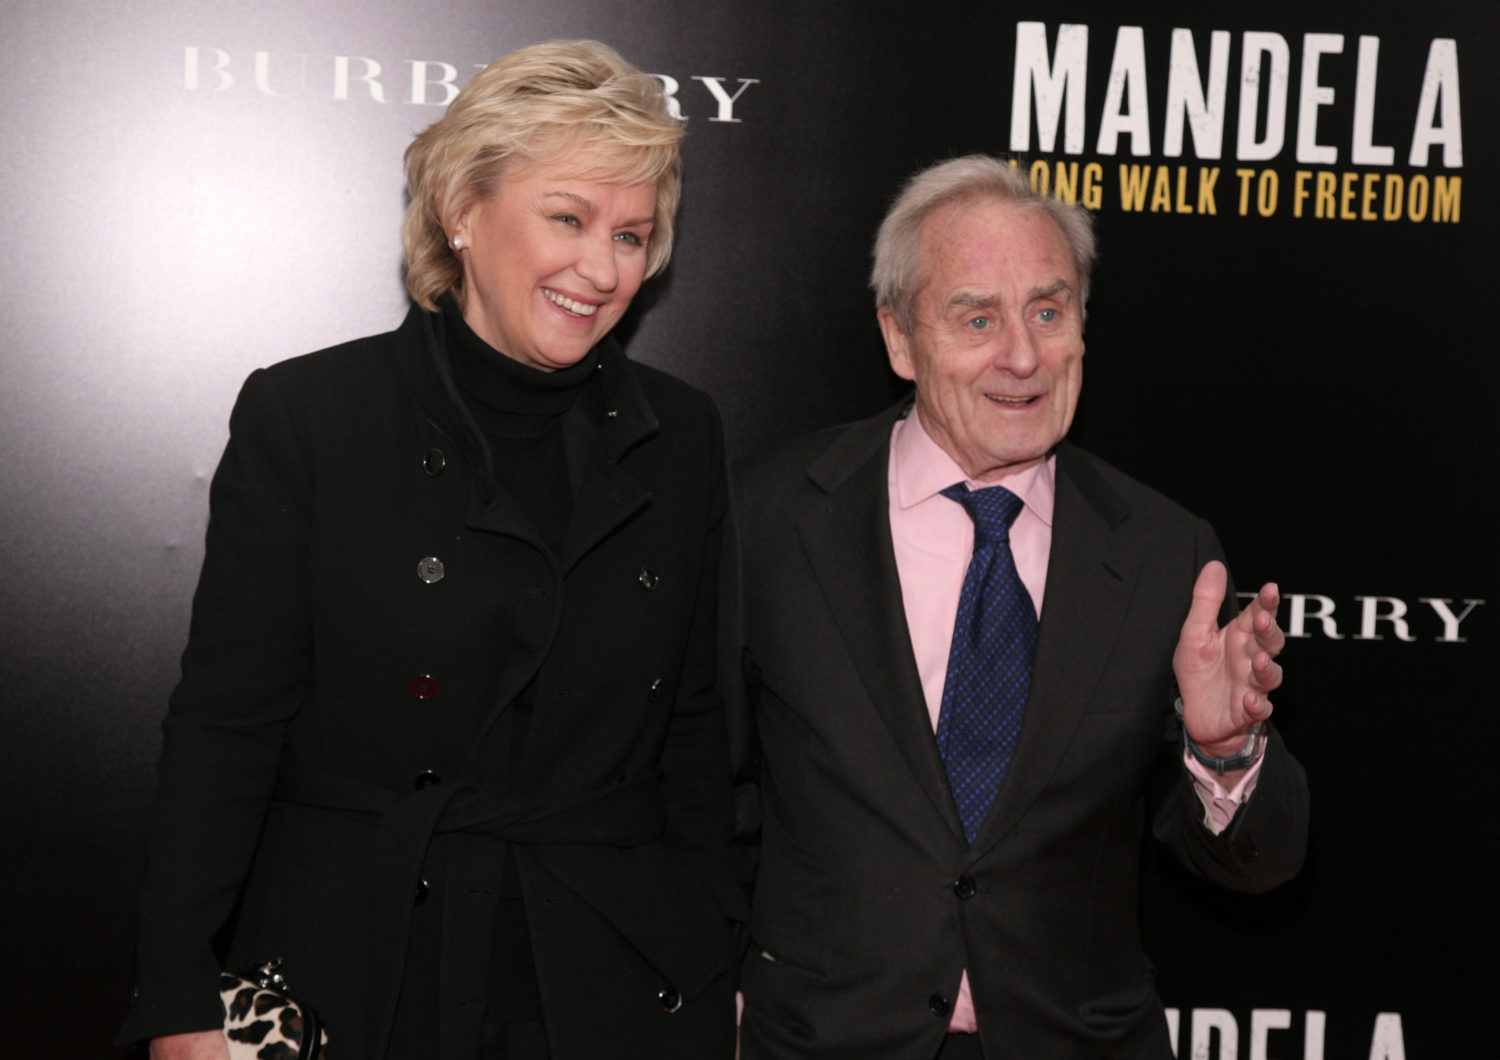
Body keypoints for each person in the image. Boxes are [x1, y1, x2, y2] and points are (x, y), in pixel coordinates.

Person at [119, 39, 741, 1060]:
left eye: (633, 235)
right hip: (362, 960)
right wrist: (178, 988)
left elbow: (696, 733)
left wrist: (710, 948)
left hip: (607, 972)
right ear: (463, 209)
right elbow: (227, 726)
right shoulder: (311, 417)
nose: (604, 267)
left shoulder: (681, 434)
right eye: (569, 219)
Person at [727, 155, 1309, 1059]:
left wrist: (1224, 751)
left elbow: (1260, 866)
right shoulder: (767, 520)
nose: (1024, 356)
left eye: (1049, 310)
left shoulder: (1164, 552)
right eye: (977, 318)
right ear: (898, 338)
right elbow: (688, 794)